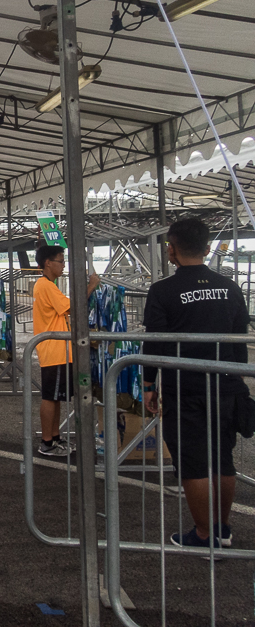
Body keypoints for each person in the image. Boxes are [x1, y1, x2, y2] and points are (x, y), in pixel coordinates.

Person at [142, 217, 251, 549]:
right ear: (206, 248)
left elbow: (155, 342)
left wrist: (149, 385)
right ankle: (222, 528)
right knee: (222, 458)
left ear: (171, 250)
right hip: (226, 384)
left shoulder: (162, 291)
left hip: (184, 387)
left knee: (193, 462)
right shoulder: (231, 288)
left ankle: (204, 535)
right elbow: (238, 340)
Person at [32, 245, 100, 456]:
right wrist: (91, 286)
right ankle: (46, 442)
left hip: (58, 350)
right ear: (47, 263)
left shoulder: (48, 285)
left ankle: (54, 437)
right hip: (55, 350)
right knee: (50, 396)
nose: (63, 266)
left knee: (56, 396)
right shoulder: (45, 286)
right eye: (61, 261)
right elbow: (71, 307)